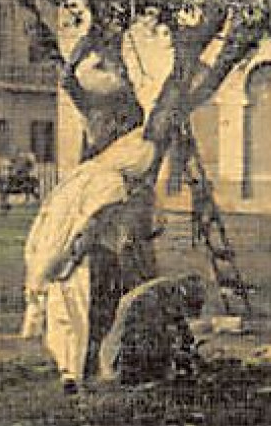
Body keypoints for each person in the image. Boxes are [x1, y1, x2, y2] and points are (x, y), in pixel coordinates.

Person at [22, 133, 157, 393]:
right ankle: (86, 371)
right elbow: (92, 225)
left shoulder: (84, 175)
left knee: (65, 314)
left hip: (62, 254)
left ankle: (69, 371)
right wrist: (72, 260)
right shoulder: (112, 184)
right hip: (90, 258)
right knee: (91, 314)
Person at [97, 274, 208, 384]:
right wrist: (176, 354)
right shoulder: (149, 301)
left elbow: (181, 325)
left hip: (137, 348)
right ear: (181, 293)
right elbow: (143, 341)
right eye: (188, 305)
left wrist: (191, 350)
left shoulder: (170, 293)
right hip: (118, 358)